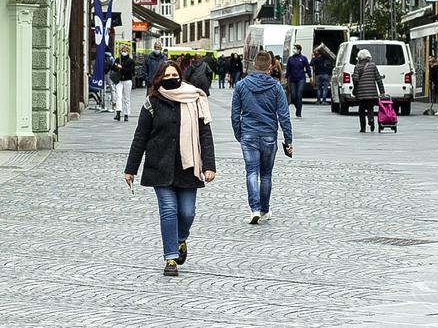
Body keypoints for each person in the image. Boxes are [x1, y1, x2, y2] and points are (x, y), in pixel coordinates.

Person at [124, 61, 216, 277]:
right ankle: (170, 258)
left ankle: (181, 238)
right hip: (160, 165)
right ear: (159, 78)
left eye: (175, 74)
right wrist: (131, 169)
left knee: (187, 212)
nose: (171, 78)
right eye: (167, 75)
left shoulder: (194, 99)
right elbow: (140, 137)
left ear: (181, 76)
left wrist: (209, 165)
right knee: (168, 210)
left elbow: (205, 135)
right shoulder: (152, 102)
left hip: (188, 167)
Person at [231, 51, 293, 224]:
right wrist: (288, 140)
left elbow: (235, 114)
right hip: (268, 135)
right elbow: (284, 115)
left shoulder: (241, 85)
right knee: (266, 174)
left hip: (248, 133)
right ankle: (264, 209)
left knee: (251, 171)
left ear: (254, 65)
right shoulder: (276, 87)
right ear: (270, 67)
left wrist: (239, 134)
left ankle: (254, 209)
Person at [353, 48, 385, 133]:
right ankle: (371, 119)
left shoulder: (357, 66)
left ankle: (363, 128)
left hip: (361, 93)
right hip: (372, 93)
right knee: (370, 107)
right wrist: (382, 91)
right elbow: (378, 79)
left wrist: (355, 88)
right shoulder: (373, 65)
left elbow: (355, 79)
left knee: (361, 110)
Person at [285, 44, 312, 117]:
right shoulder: (290, 59)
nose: (294, 50)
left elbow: (307, 68)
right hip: (292, 79)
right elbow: (288, 70)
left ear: (299, 50)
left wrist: (310, 77)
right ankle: (298, 108)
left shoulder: (303, 58)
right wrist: (286, 79)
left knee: (299, 95)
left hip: (301, 79)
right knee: (293, 96)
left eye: (295, 48)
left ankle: (299, 112)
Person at [112, 44, 135, 122]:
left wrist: (121, 68)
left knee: (127, 98)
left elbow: (131, 71)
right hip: (119, 80)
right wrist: (115, 66)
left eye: (125, 50)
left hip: (127, 80)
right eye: (122, 50)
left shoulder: (131, 61)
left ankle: (126, 114)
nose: (123, 51)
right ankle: (118, 112)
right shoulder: (118, 59)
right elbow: (113, 69)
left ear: (128, 51)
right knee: (118, 96)